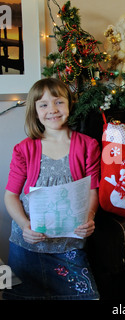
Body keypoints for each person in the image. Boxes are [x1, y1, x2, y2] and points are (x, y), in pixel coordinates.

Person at [3, 78, 101, 300]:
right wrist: (24, 225)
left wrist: (90, 216)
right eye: (44, 105)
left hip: (69, 245)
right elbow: (10, 196)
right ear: (35, 111)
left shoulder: (88, 145)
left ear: (69, 104)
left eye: (59, 102)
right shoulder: (24, 149)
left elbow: (92, 190)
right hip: (26, 246)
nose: (53, 110)